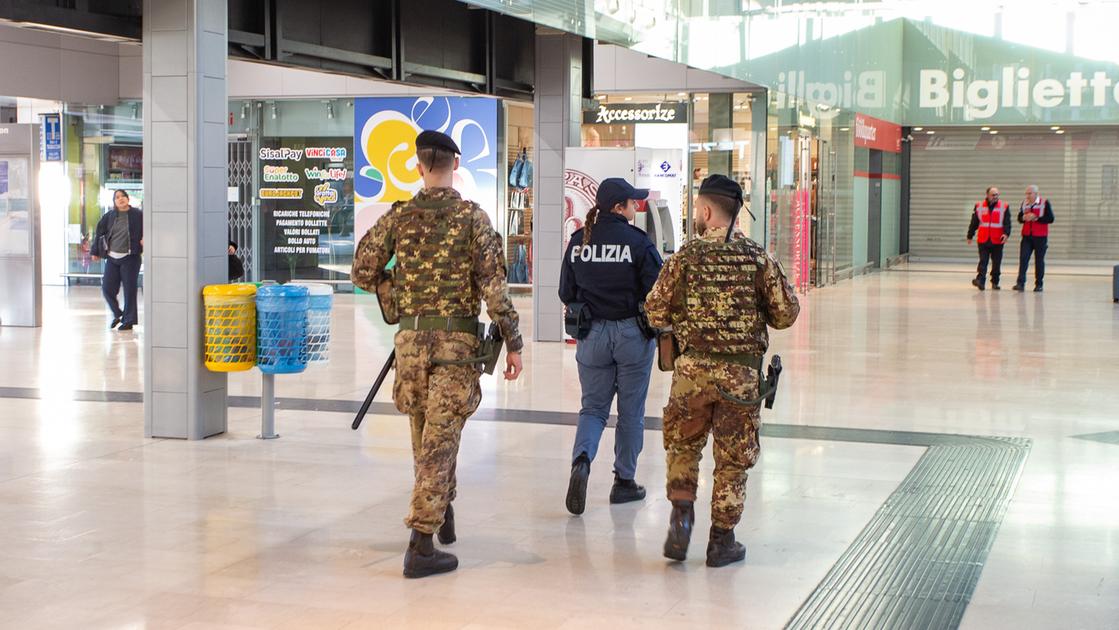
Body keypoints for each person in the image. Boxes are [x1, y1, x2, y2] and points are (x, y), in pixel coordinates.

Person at [350, 130, 524, 579]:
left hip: (411, 349)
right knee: (438, 447)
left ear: (419, 166)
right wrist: (514, 343)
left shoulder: (400, 216)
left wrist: (395, 296)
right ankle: (421, 545)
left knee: (425, 439)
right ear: (454, 167)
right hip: (454, 350)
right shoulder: (472, 218)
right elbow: (494, 289)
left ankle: (440, 511)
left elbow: (363, 268)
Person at [645, 175, 799, 567]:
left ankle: (681, 519)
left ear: (709, 211)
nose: (697, 216)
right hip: (740, 379)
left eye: (698, 209)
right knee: (732, 459)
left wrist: (684, 320)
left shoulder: (684, 257)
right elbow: (786, 315)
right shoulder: (758, 258)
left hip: (691, 374)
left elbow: (654, 309)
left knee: (683, 446)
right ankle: (721, 540)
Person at [559, 178, 663, 516]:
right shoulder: (638, 243)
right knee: (630, 411)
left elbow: (565, 291)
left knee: (593, 409)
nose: (636, 207)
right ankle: (624, 483)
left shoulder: (578, 242)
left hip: (591, 336)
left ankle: (582, 463)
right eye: (633, 203)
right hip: (632, 334)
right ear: (620, 207)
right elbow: (658, 290)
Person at [91, 190, 143, 331]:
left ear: (128, 199)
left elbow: (149, 228)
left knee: (130, 290)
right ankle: (118, 313)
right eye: (117, 198)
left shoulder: (138, 215)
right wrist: (95, 251)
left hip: (130, 258)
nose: (120, 199)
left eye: (123, 197)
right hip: (112, 258)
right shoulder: (109, 216)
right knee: (107, 288)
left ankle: (129, 320)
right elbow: (99, 233)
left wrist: (145, 238)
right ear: (114, 201)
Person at [966, 187, 1012, 291]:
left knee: (996, 263)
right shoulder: (979, 206)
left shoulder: (1004, 206)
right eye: (993, 195)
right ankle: (980, 281)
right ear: (987, 195)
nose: (995, 197)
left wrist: (1006, 234)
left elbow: (1007, 223)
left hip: (997, 239)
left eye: (997, 194)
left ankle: (995, 282)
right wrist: (970, 235)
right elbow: (974, 222)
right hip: (983, 239)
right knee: (983, 261)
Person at [1013, 185, 1054, 293]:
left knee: (1039, 261)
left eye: (1029, 193)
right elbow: (1019, 218)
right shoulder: (1024, 203)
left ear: (1036, 194)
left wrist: (1036, 218)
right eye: (1026, 193)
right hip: (1027, 236)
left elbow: (1050, 218)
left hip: (1040, 237)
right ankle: (1020, 283)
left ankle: (1039, 284)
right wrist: (1023, 218)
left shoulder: (1044, 203)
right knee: (1023, 259)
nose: (1027, 196)